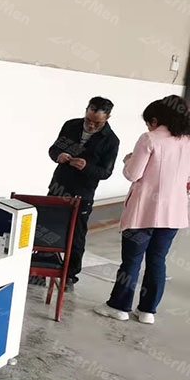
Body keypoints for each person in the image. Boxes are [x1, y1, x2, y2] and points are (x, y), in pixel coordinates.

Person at [94, 95, 190, 324]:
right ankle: (147, 311)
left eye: (149, 121)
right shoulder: (187, 142)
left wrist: (128, 160)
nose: (148, 126)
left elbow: (133, 174)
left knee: (132, 260)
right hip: (173, 214)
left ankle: (119, 307)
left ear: (158, 119)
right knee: (157, 260)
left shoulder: (149, 139)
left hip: (143, 212)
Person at [47, 97, 120, 287]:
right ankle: (43, 267)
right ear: (86, 110)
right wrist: (58, 155)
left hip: (83, 192)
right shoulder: (71, 126)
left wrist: (86, 167)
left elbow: (106, 172)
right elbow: (54, 149)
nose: (91, 125)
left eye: (97, 123)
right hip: (59, 185)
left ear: (108, 118)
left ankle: (70, 274)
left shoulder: (110, 140)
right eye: (88, 120)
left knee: (76, 234)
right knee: (48, 227)